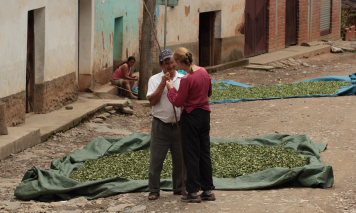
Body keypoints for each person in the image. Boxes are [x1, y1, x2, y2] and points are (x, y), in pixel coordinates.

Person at [166, 47, 215, 203]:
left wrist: (171, 89)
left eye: (176, 63)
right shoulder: (204, 72)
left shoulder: (187, 79)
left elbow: (178, 102)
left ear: (181, 62)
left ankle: (193, 191)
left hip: (191, 117)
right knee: (204, 152)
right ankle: (208, 190)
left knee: (191, 154)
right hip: (205, 115)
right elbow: (209, 93)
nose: (176, 67)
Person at [146, 49, 185, 200]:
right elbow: (152, 101)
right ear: (161, 65)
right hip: (160, 125)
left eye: (171, 62)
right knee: (156, 160)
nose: (170, 66)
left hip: (179, 125)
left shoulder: (183, 79)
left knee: (180, 160)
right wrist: (163, 83)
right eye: (166, 63)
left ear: (176, 63)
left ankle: (179, 187)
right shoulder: (154, 80)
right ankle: (154, 190)